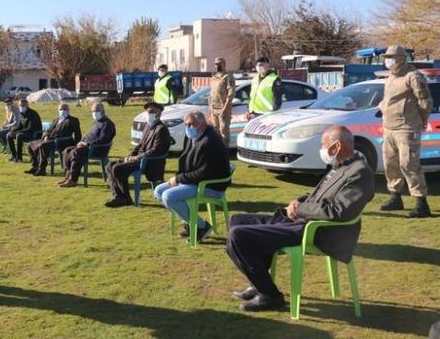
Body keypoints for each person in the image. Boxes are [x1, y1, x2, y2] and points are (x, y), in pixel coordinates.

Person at [226, 126, 374, 312]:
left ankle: (270, 295)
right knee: (237, 221)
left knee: (239, 235)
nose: (322, 150)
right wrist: (298, 201)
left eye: (324, 145)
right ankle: (259, 283)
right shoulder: (340, 166)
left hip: (319, 231)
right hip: (303, 221)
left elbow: (339, 211)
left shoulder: (359, 172)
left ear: (336, 146)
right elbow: (318, 195)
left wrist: (301, 209)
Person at [154, 111, 230, 241]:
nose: (188, 127)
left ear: (201, 124)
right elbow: (185, 161)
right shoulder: (193, 137)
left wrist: (179, 179)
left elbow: (204, 173)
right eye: (186, 124)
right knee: (159, 191)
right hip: (195, 181)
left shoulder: (209, 141)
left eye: (191, 124)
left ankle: (201, 226)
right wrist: (178, 178)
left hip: (211, 185)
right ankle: (192, 223)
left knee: (169, 196)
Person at [378, 45, 434, 218]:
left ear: (402, 58)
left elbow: (425, 101)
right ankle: (395, 197)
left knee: (409, 164)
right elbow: (387, 100)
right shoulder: (390, 77)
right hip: (389, 128)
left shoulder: (414, 77)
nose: (389, 60)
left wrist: (422, 120)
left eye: (392, 56)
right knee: (390, 164)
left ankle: (421, 203)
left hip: (407, 128)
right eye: (387, 57)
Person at [104, 102, 171, 207]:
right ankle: (118, 196)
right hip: (139, 159)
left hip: (149, 162)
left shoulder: (161, 129)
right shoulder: (148, 126)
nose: (148, 114)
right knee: (109, 166)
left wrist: (137, 157)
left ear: (159, 113)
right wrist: (130, 155)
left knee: (117, 169)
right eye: (147, 112)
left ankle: (126, 198)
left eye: (151, 112)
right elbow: (140, 145)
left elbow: (156, 150)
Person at [58, 102, 116, 188]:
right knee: (67, 150)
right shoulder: (97, 122)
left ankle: (73, 180)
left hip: (97, 149)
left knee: (76, 152)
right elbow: (89, 135)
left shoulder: (107, 124)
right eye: (93, 111)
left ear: (103, 111)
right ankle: (68, 176)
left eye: (96, 111)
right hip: (87, 147)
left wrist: (87, 144)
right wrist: (81, 142)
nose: (94, 113)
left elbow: (103, 139)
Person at [25, 102, 81, 176]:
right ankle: (35, 166)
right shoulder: (56, 120)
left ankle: (42, 169)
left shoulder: (73, 120)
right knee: (30, 144)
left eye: (65, 109)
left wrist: (74, 145)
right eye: (61, 109)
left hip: (62, 142)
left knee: (43, 146)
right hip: (50, 139)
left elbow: (78, 134)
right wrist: (45, 136)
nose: (63, 111)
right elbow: (48, 131)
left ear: (68, 110)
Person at [208, 57, 236, 147]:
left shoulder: (228, 77)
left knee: (223, 131)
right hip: (214, 108)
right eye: (216, 64)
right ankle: (217, 152)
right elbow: (211, 93)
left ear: (224, 64)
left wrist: (225, 108)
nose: (217, 66)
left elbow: (231, 94)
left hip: (223, 108)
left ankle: (224, 152)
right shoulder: (214, 78)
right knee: (215, 131)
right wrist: (210, 107)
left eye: (219, 64)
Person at [7, 99, 42, 163]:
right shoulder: (22, 114)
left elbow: (30, 128)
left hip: (33, 134)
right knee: (9, 135)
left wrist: (17, 132)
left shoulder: (32, 114)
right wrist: (13, 131)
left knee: (19, 136)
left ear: (27, 105)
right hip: (25, 133)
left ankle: (19, 158)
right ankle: (14, 156)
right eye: (20, 105)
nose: (21, 107)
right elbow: (20, 126)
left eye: (23, 105)